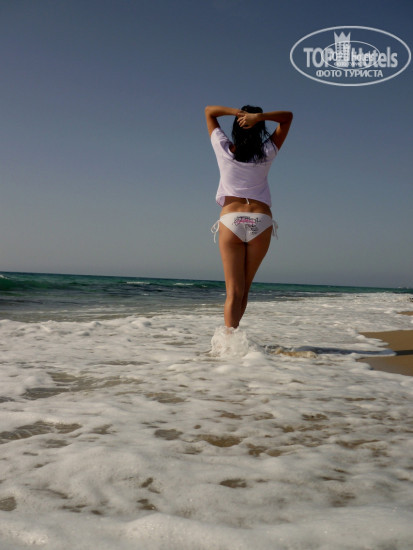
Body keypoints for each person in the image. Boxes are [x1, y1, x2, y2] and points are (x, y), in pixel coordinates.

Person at [205, 105, 293, 329]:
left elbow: (209, 111)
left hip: (231, 220)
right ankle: (235, 342)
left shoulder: (224, 148)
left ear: (237, 127)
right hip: (260, 221)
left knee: (233, 292)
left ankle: (229, 343)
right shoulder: (267, 151)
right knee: (244, 289)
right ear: (259, 127)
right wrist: (259, 117)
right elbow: (287, 117)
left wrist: (238, 114)